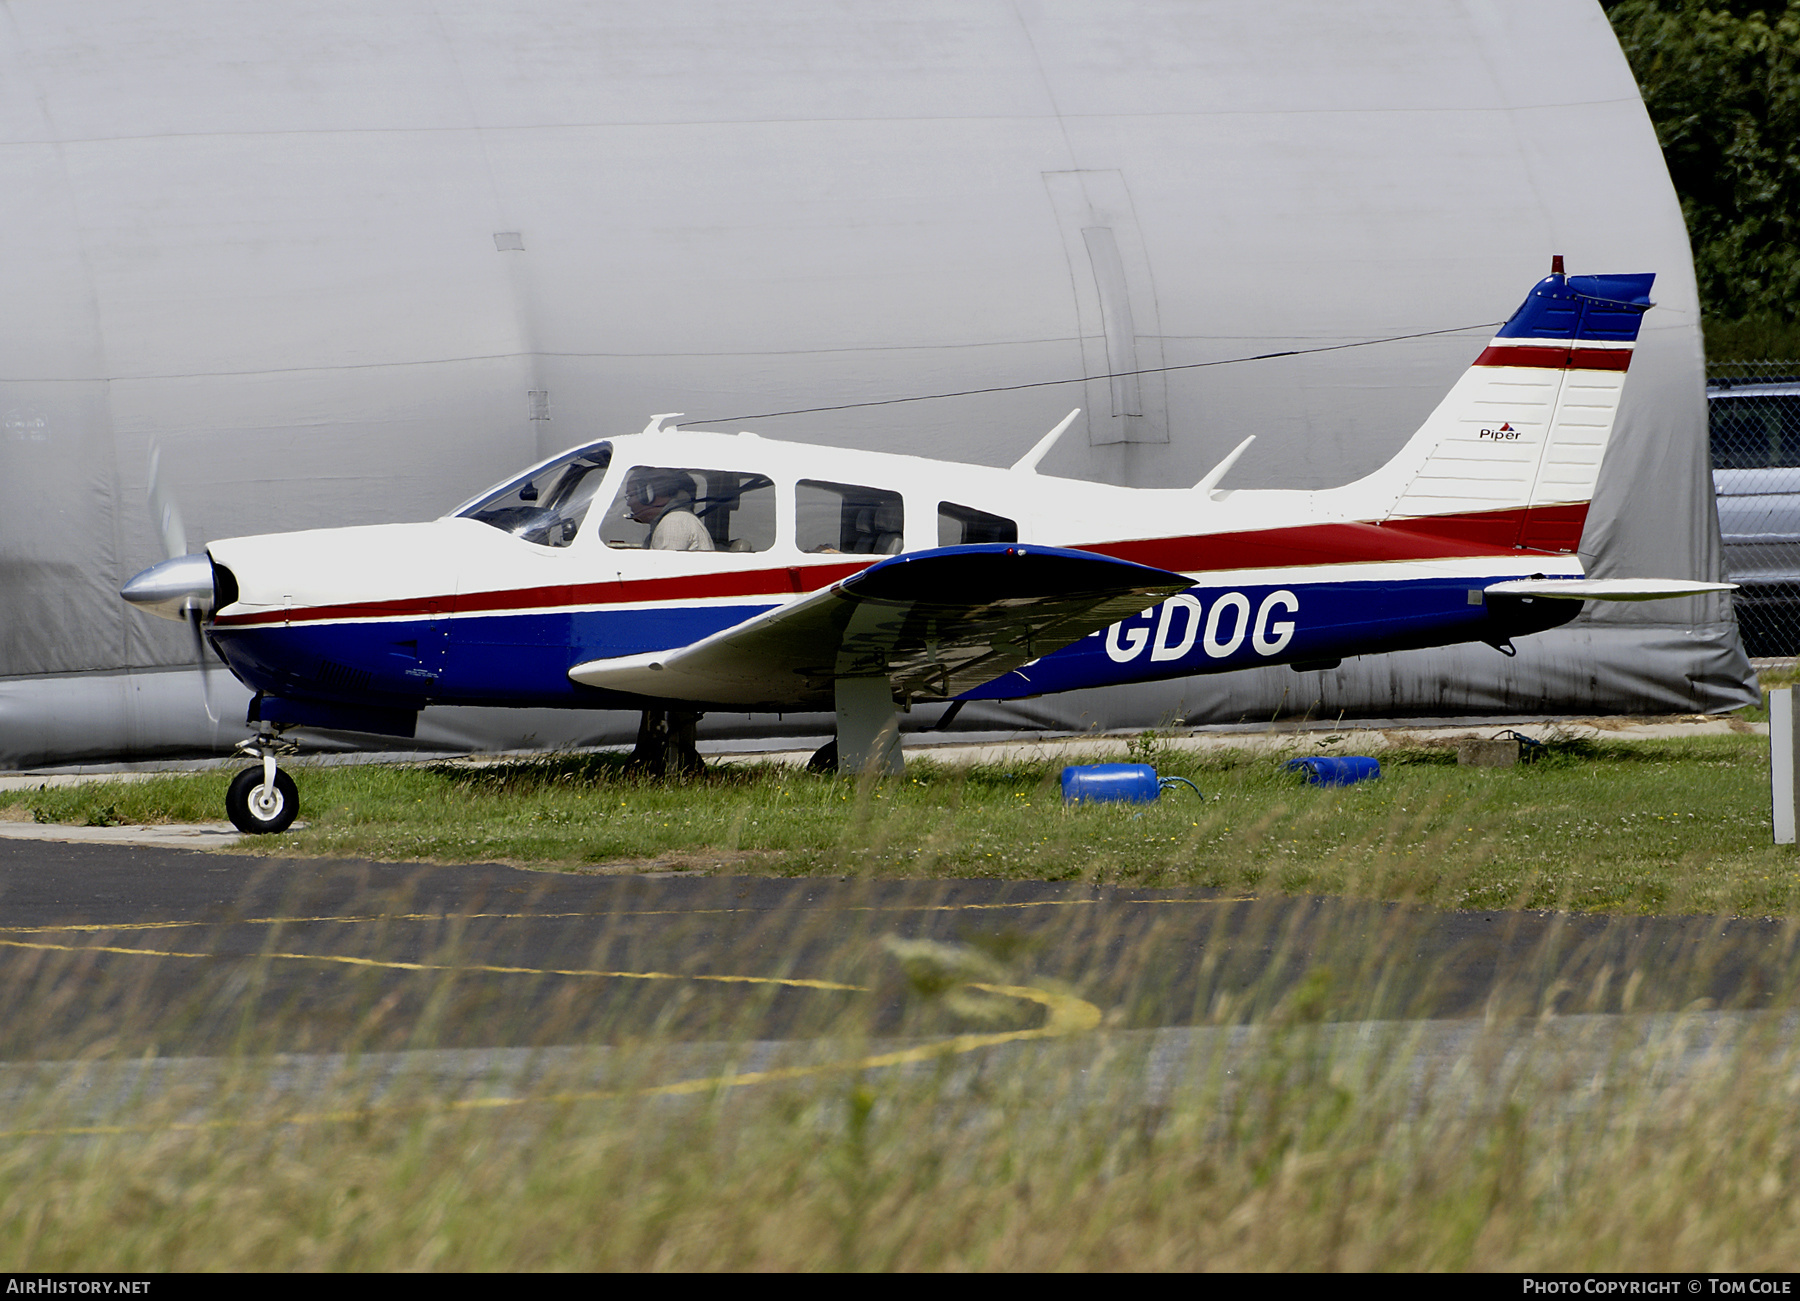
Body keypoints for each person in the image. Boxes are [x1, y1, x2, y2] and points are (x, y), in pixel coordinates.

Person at [626, 469, 714, 551]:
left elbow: (663, 566)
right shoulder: (674, 520)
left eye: (630, 495)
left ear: (648, 495)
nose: (628, 503)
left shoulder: (674, 522)